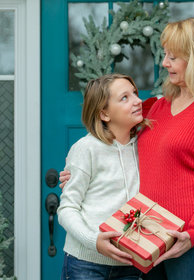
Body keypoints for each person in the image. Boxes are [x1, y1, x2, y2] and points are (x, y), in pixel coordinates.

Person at [61, 18, 194, 280]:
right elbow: (109, 128)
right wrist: (74, 173)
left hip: (188, 240)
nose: (165, 63)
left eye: (173, 57)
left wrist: (193, 234)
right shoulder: (157, 106)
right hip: (146, 237)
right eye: (165, 54)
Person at [57, 73, 146, 280]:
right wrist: (93, 240)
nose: (137, 101)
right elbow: (67, 208)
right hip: (86, 264)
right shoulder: (86, 149)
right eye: (125, 98)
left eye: (135, 93)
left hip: (131, 263)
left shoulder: (146, 146)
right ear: (104, 114)